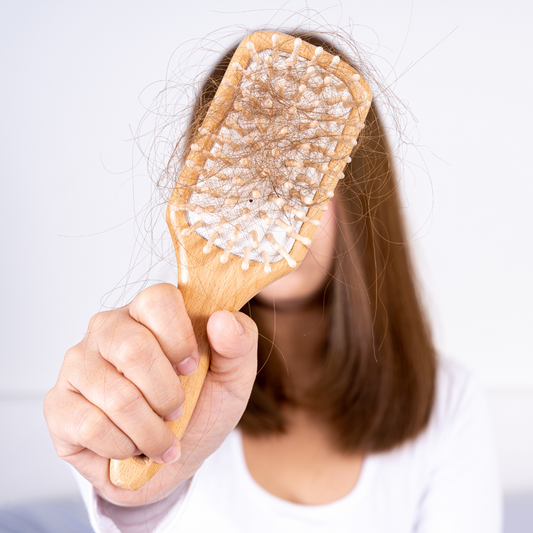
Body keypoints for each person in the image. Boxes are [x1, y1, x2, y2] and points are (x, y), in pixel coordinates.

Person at [44, 32, 502, 532]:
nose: (264, 203)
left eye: (297, 177)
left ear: (360, 196)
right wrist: (140, 501)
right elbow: (130, 491)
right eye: (243, 172)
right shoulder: (150, 386)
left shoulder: (451, 404)